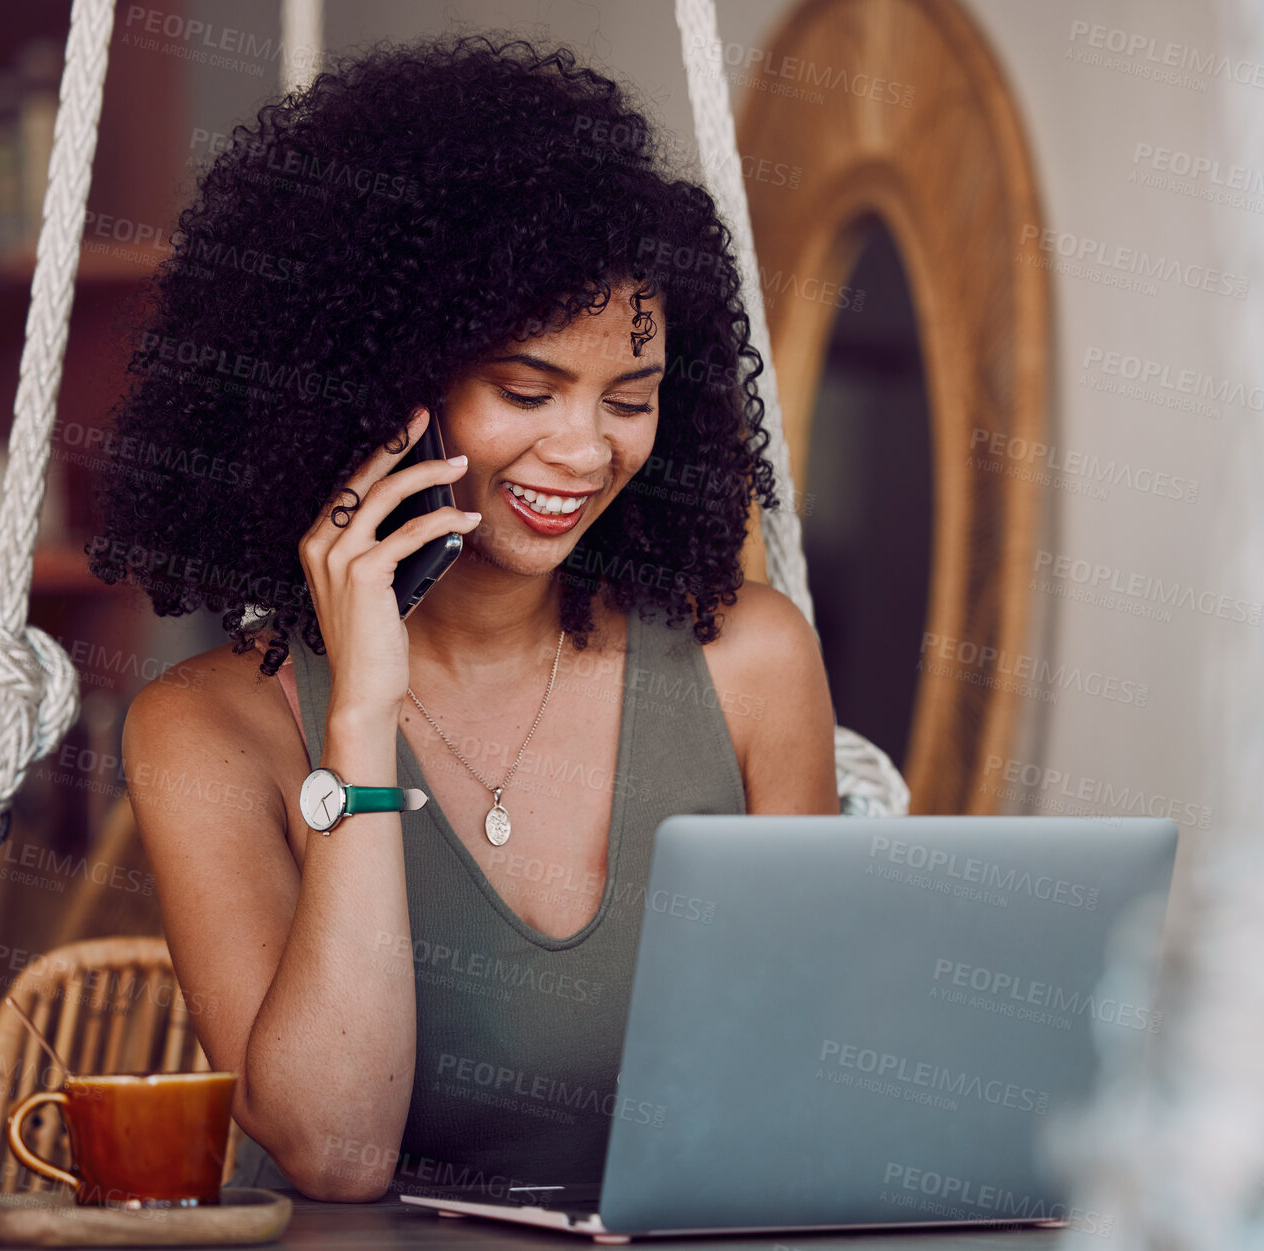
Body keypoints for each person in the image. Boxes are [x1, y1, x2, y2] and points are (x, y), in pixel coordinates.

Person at [95, 33, 838, 1203]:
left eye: (629, 399)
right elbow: (336, 1152)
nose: (585, 450)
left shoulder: (749, 658)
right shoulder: (206, 731)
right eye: (526, 391)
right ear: (376, 384)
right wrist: (363, 717)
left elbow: (806, 1084)